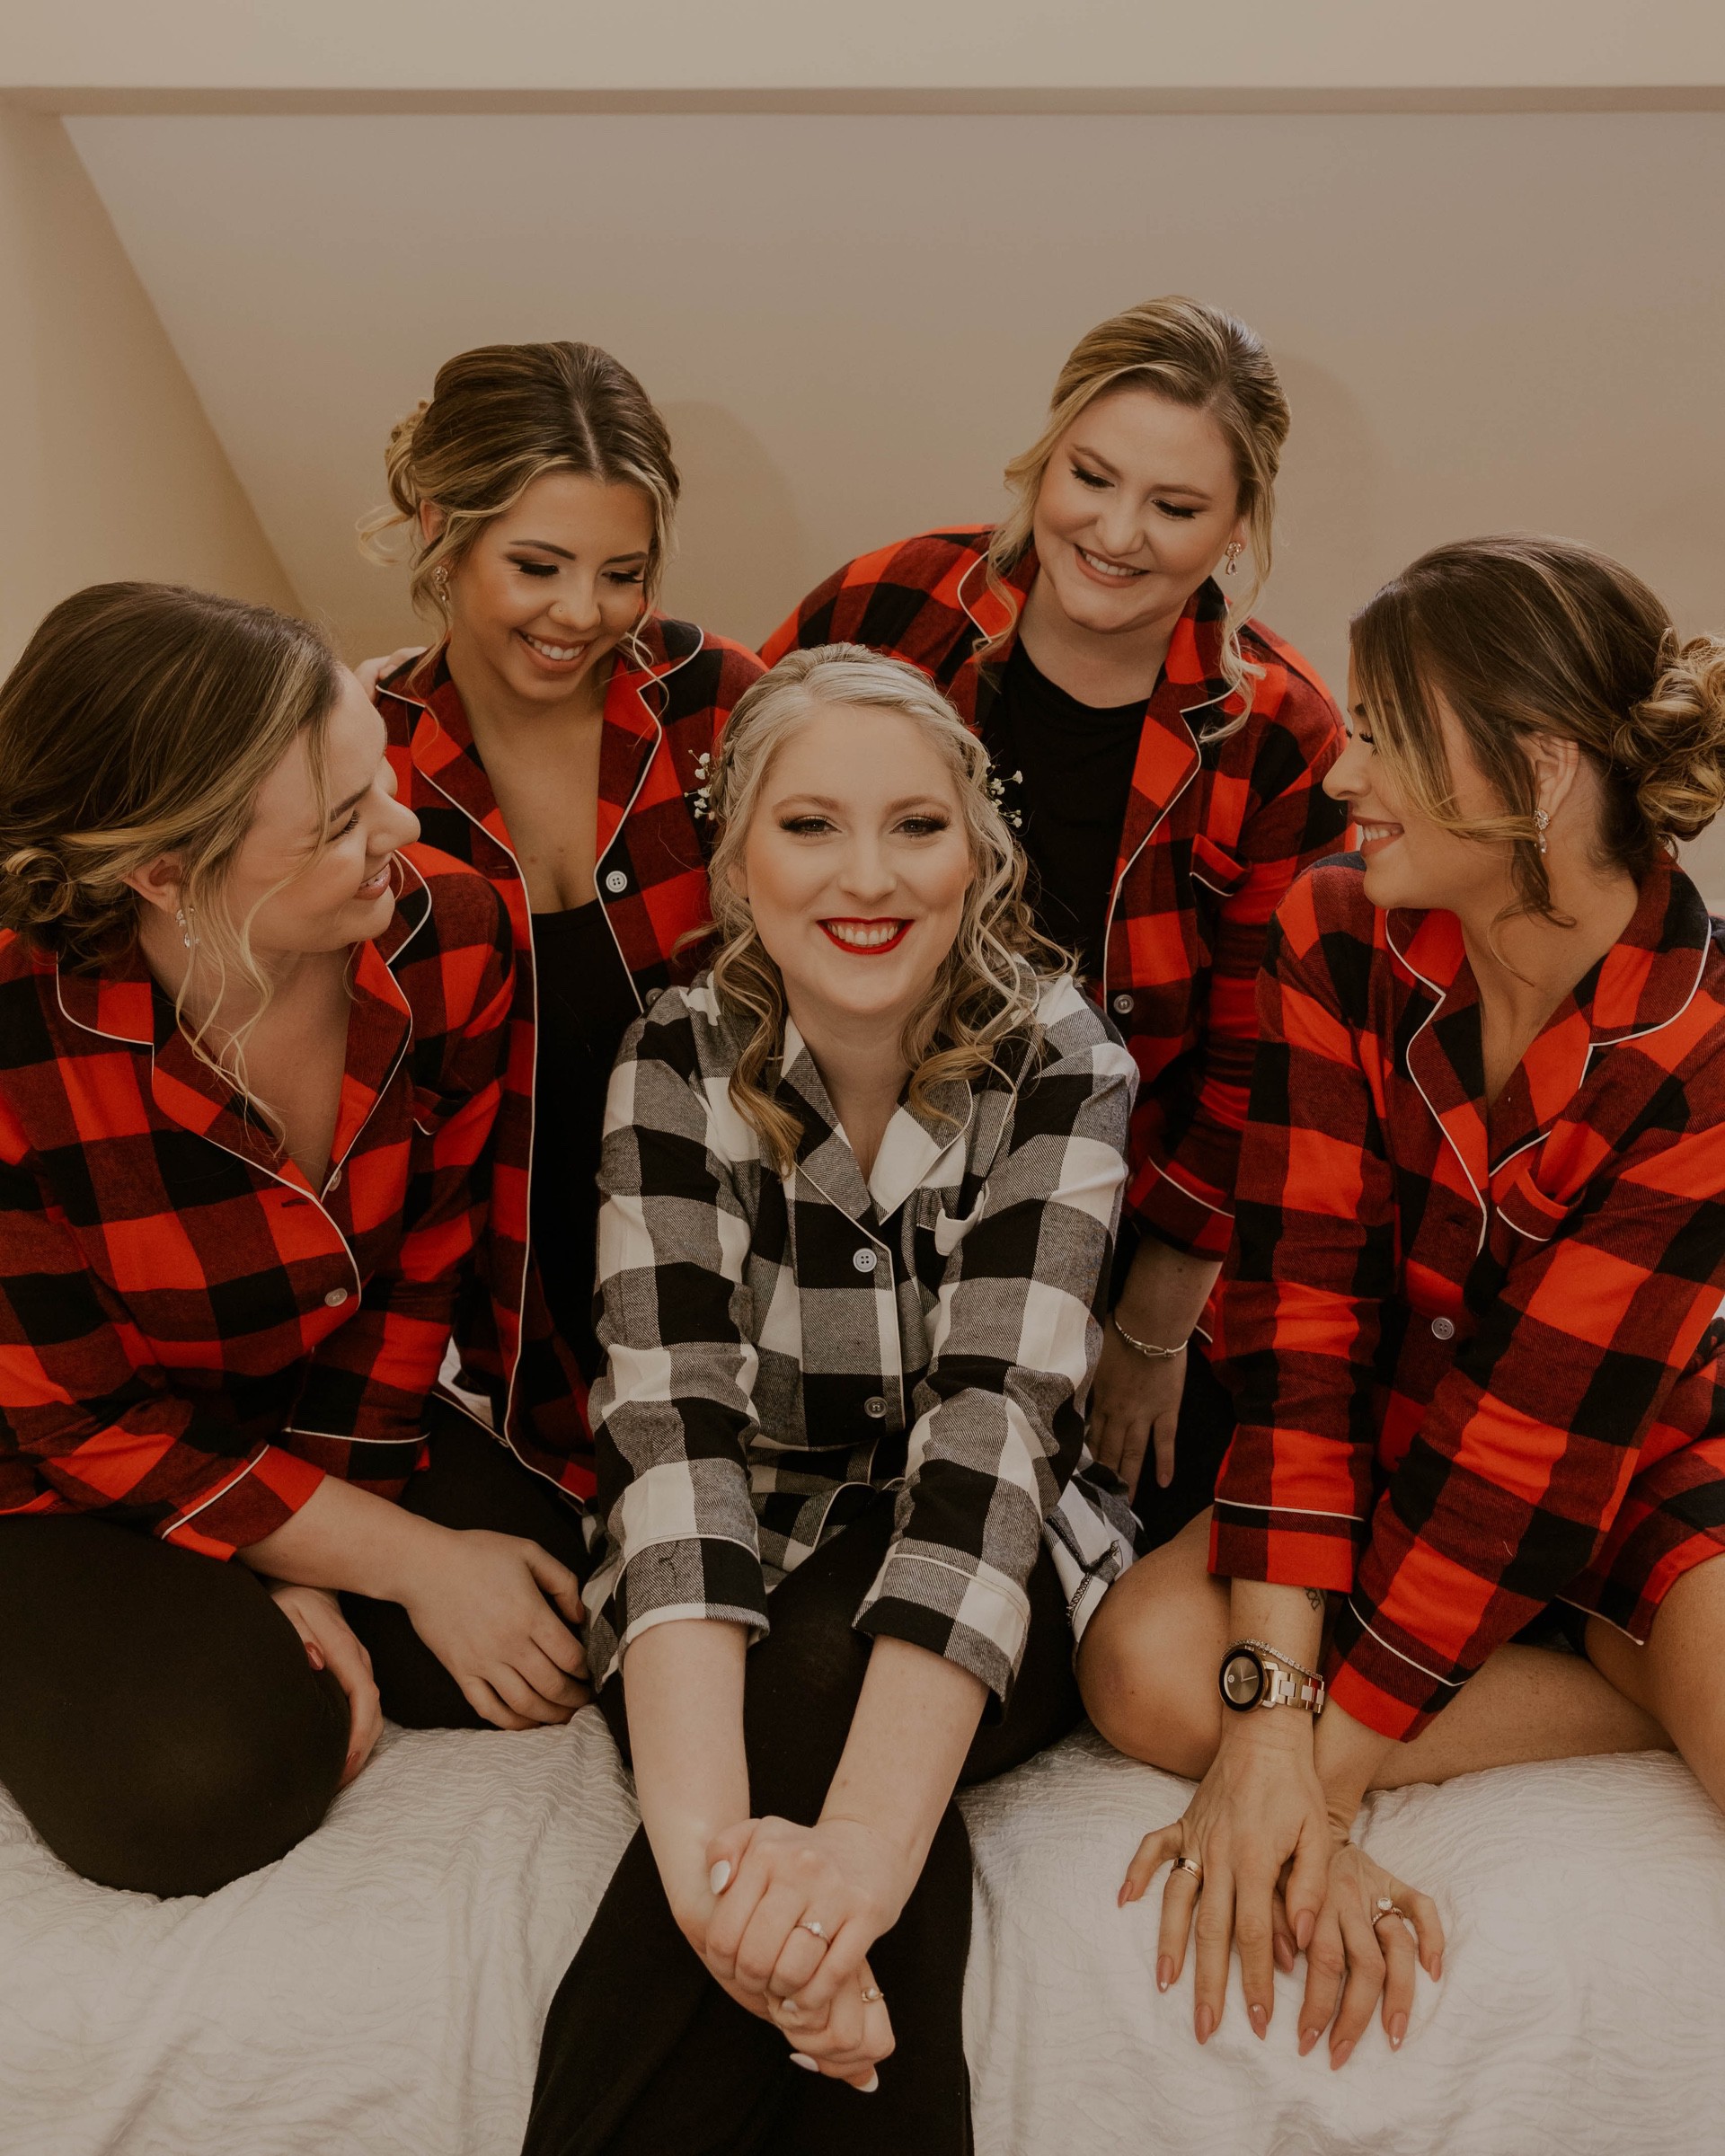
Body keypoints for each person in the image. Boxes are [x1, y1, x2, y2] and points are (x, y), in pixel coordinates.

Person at [1078, 535, 1725, 2071]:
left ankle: (1646, 1662)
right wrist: (1258, 1728)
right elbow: (1297, 1329)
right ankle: (1622, 1690)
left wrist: (1312, 1775)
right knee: (1138, 1671)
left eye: (1382, 732)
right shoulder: (1331, 930)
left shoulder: (1701, 1042)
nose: (1347, 771)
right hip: (1380, 1437)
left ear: (1538, 770)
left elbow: (1535, 1453)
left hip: (1626, 1467)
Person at [524, 645, 1138, 2155]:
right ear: (735, 859)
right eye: (810, 825)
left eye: (916, 826)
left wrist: (856, 1858)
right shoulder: (673, 1057)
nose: (868, 876)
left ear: (980, 850)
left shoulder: (1064, 1062)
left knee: (817, 1687)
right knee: (780, 1686)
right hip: (742, 1539)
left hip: (999, 1548)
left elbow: (993, 1439)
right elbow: (673, 1439)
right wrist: (721, 1889)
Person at [0, 584, 592, 1901]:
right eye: (340, 824)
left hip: (303, 1404)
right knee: (205, 1788)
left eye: (379, 771)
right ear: (164, 872)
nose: (406, 825)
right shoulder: (18, 1041)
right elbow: (80, 1423)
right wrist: (400, 1561)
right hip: (55, 1462)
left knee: (574, 1625)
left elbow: (420, 1270)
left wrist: (321, 1529)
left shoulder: (455, 933)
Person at [764, 296, 1351, 1544]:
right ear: (1047, 452)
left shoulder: (1279, 734)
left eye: (1177, 508)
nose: (1117, 534)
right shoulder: (892, 604)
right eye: (1091, 477)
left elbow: (1263, 1063)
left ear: (1240, 526)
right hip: (842, 1178)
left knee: (1141, 1549)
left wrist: (1152, 1325)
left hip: (1124, 1227)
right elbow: (730, 817)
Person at [361, 340, 764, 1495]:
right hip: (495, 1340)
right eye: (537, 565)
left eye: (622, 572)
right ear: (441, 526)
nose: (581, 613)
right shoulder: (367, 768)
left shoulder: (725, 709)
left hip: (746, 1305)